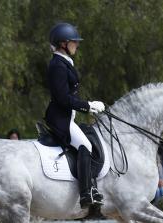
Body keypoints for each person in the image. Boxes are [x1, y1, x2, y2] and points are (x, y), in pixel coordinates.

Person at [44, 22, 105, 209]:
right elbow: (62, 98)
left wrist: (88, 106)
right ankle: (86, 193)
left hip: (67, 116)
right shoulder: (58, 66)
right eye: (74, 42)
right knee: (85, 146)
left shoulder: (64, 63)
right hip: (59, 117)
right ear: (63, 43)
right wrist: (87, 106)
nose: (77, 45)